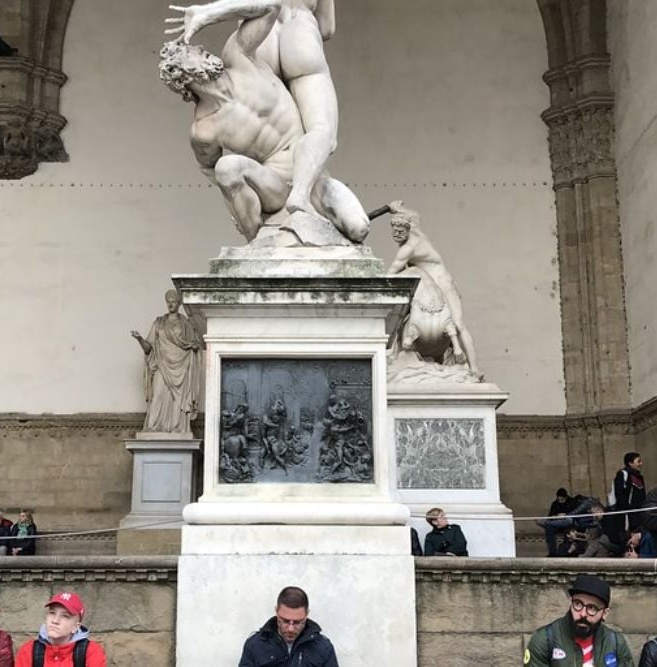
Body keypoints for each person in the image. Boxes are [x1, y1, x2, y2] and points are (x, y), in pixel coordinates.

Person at [159, 4, 369, 245]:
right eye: (191, 52)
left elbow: (271, 7)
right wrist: (239, 198)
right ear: (182, 75)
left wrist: (209, 14)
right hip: (273, 185)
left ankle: (300, 197)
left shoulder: (238, 58)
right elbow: (209, 169)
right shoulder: (204, 129)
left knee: (358, 228)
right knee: (226, 168)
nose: (199, 48)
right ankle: (256, 241)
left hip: (315, 178)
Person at [386, 201, 479, 377]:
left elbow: (390, 275)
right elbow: (415, 216)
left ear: (407, 229)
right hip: (429, 285)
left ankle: (474, 368)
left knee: (459, 324)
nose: (396, 235)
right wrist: (398, 208)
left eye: (400, 232)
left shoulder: (408, 249)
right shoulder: (415, 230)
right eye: (394, 231)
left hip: (442, 283)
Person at [130, 289, 202, 435]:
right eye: (168, 301)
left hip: (181, 367)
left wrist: (194, 347)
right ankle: (152, 427)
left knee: (178, 400)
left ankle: (178, 428)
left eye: (173, 301)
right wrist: (139, 339)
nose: (170, 304)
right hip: (162, 364)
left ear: (179, 304)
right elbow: (148, 348)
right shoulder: (159, 323)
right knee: (157, 395)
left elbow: (195, 344)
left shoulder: (186, 324)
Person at [524, 574, 633, 666]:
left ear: (604, 613)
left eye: (592, 608)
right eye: (578, 604)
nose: (583, 614)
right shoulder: (545, 640)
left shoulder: (616, 643)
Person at [238, 586, 339, 667]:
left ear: (306, 614)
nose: (291, 628)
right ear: (276, 612)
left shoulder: (323, 648)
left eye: (297, 622)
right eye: (285, 621)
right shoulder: (255, 645)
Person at [14, 592, 106, 667]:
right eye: (52, 613)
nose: (55, 621)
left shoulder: (91, 651)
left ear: (76, 627)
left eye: (65, 616)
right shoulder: (29, 650)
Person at [612, 452, 646, 531]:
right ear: (630, 463)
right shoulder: (622, 474)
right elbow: (619, 494)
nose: (641, 464)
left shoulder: (639, 477)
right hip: (628, 515)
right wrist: (628, 508)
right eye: (638, 461)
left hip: (639, 514)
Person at [538, 488, 575, 557]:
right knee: (549, 528)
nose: (560, 501)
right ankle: (552, 552)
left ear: (566, 497)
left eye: (562, 500)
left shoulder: (572, 502)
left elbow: (575, 513)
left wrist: (565, 515)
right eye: (559, 500)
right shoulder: (555, 504)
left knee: (569, 527)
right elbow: (550, 516)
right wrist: (556, 517)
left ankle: (564, 552)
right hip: (556, 524)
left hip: (568, 524)